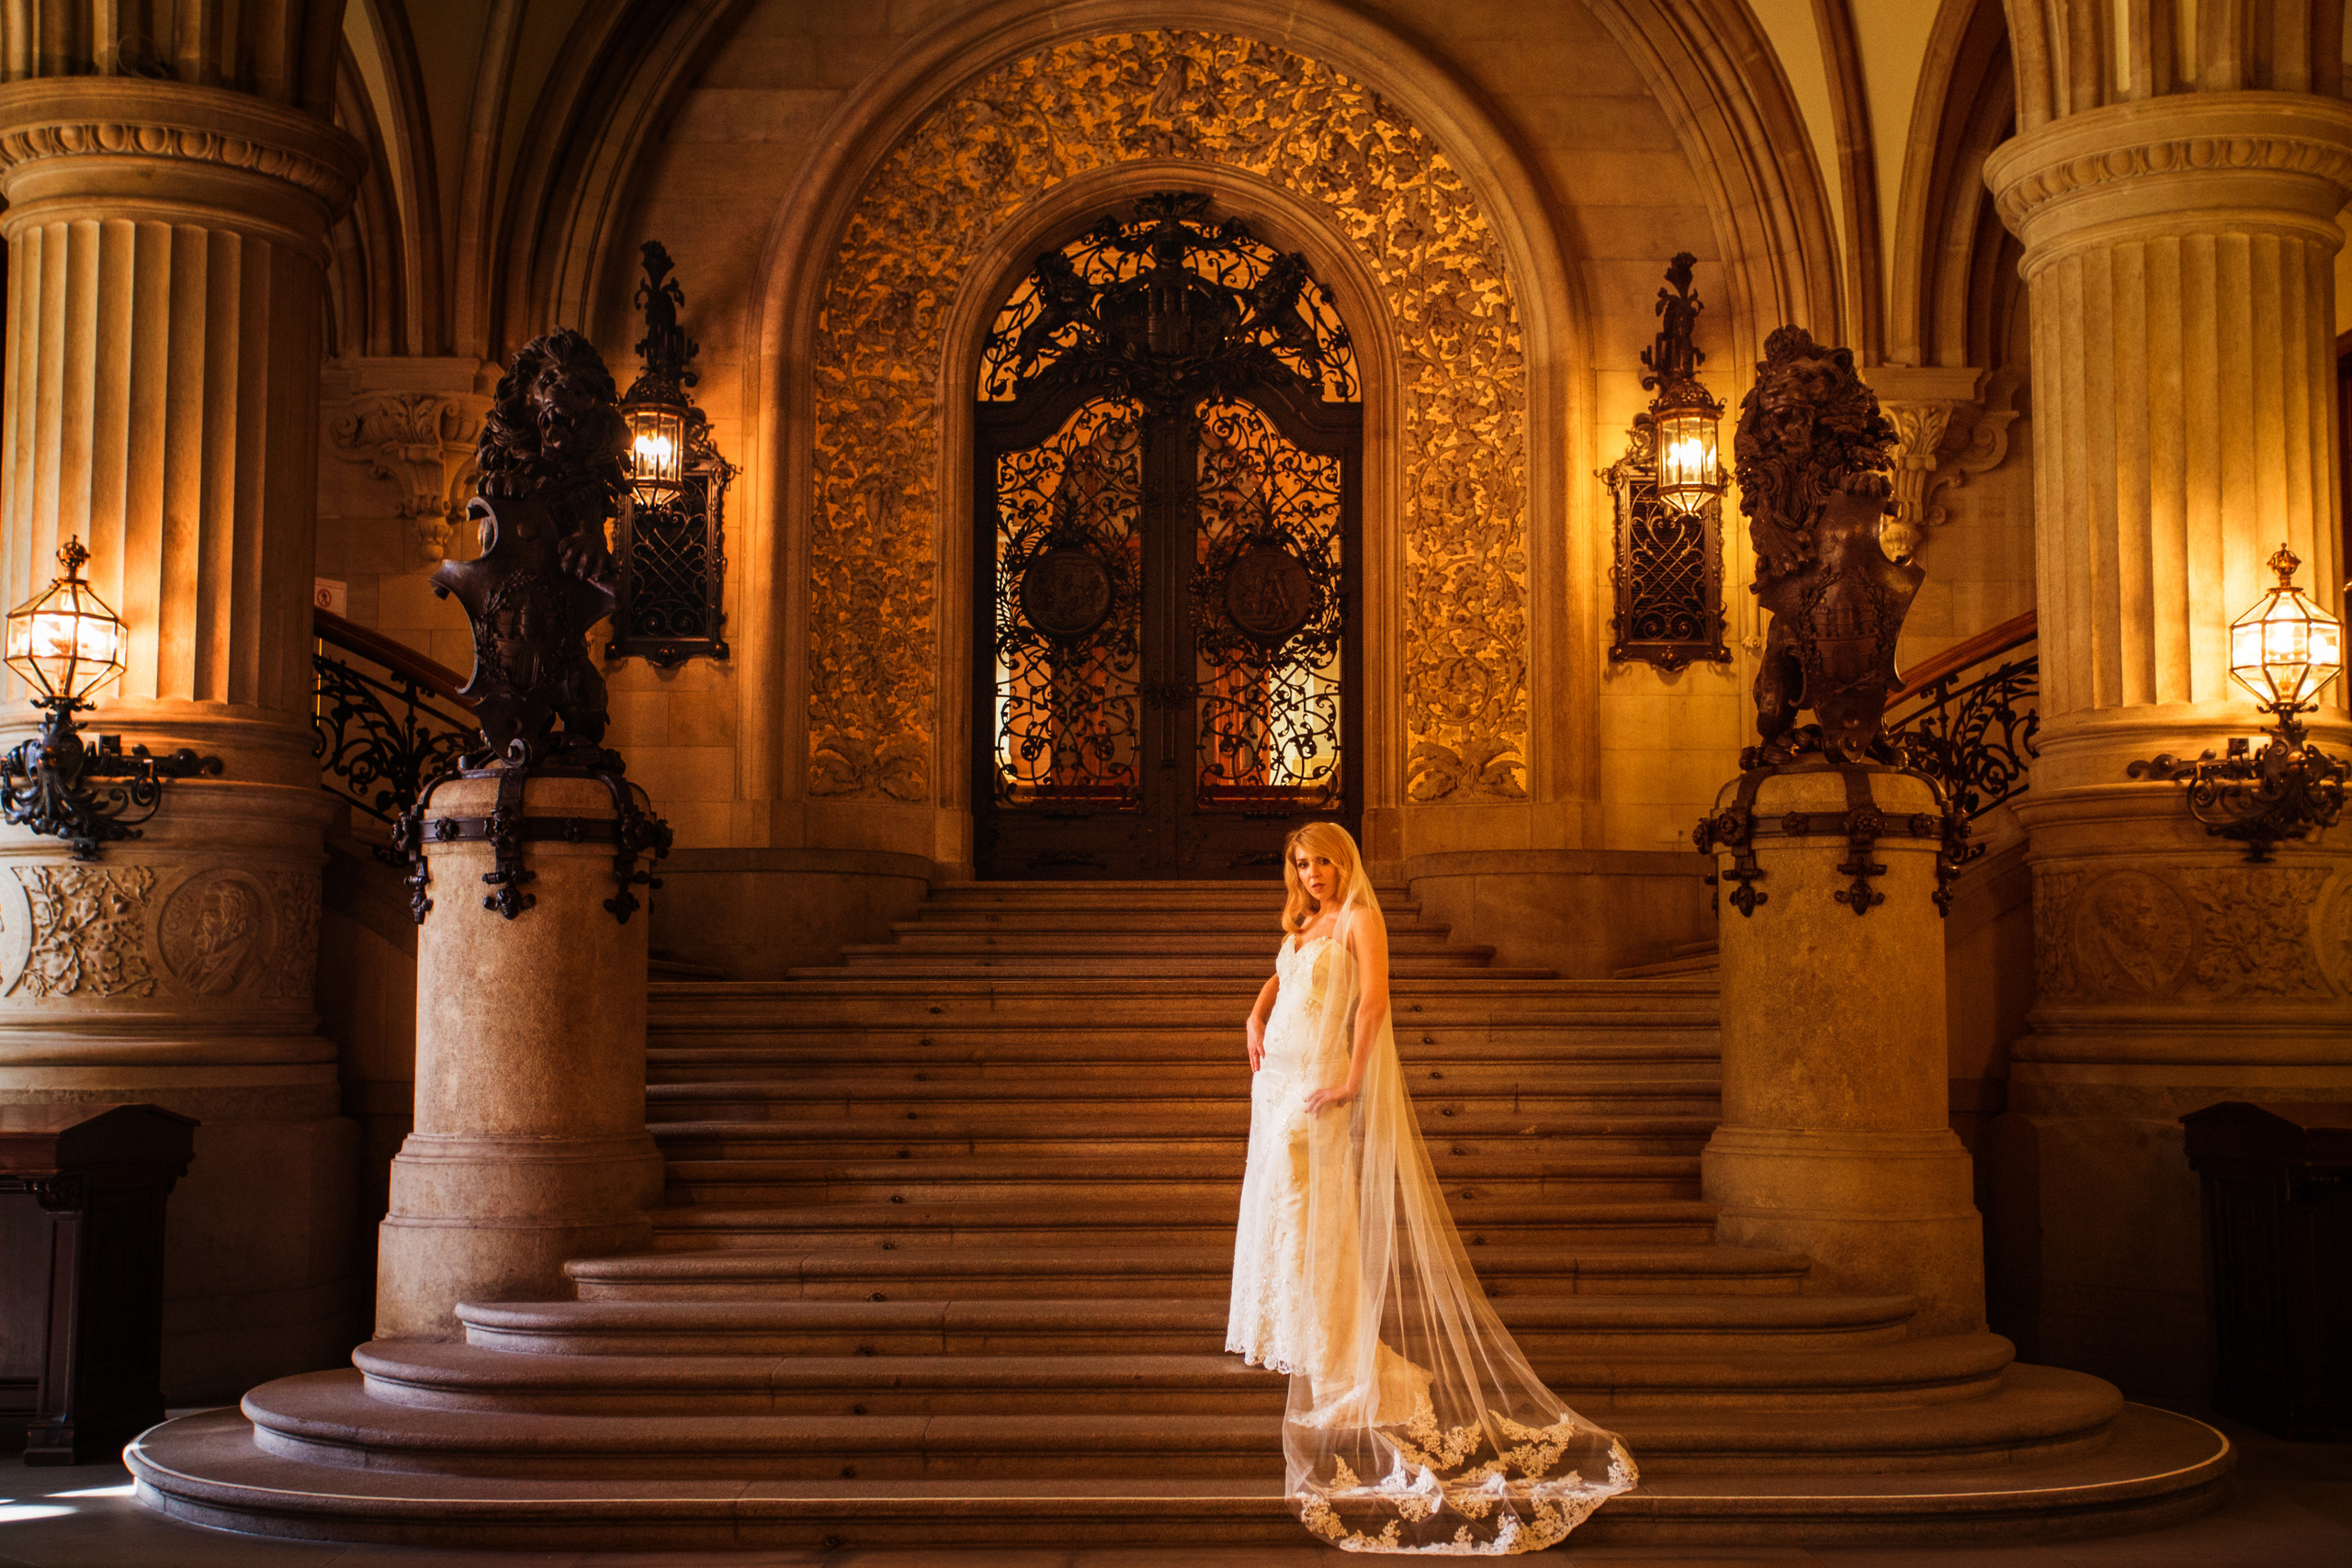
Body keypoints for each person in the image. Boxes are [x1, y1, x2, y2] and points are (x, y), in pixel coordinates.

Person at [1227, 822, 1637, 1552]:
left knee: (1315, 1212)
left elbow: (1372, 1002)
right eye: (1301, 862)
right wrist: (1254, 1013)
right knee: (1285, 1207)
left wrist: (1350, 1079)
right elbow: (1283, 972)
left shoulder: (1358, 917)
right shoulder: (1306, 920)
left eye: (1323, 860)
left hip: (1316, 1086)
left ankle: (1338, 1352)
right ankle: (1303, 1331)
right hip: (1276, 1082)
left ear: (1344, 861)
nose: (1313, 871)